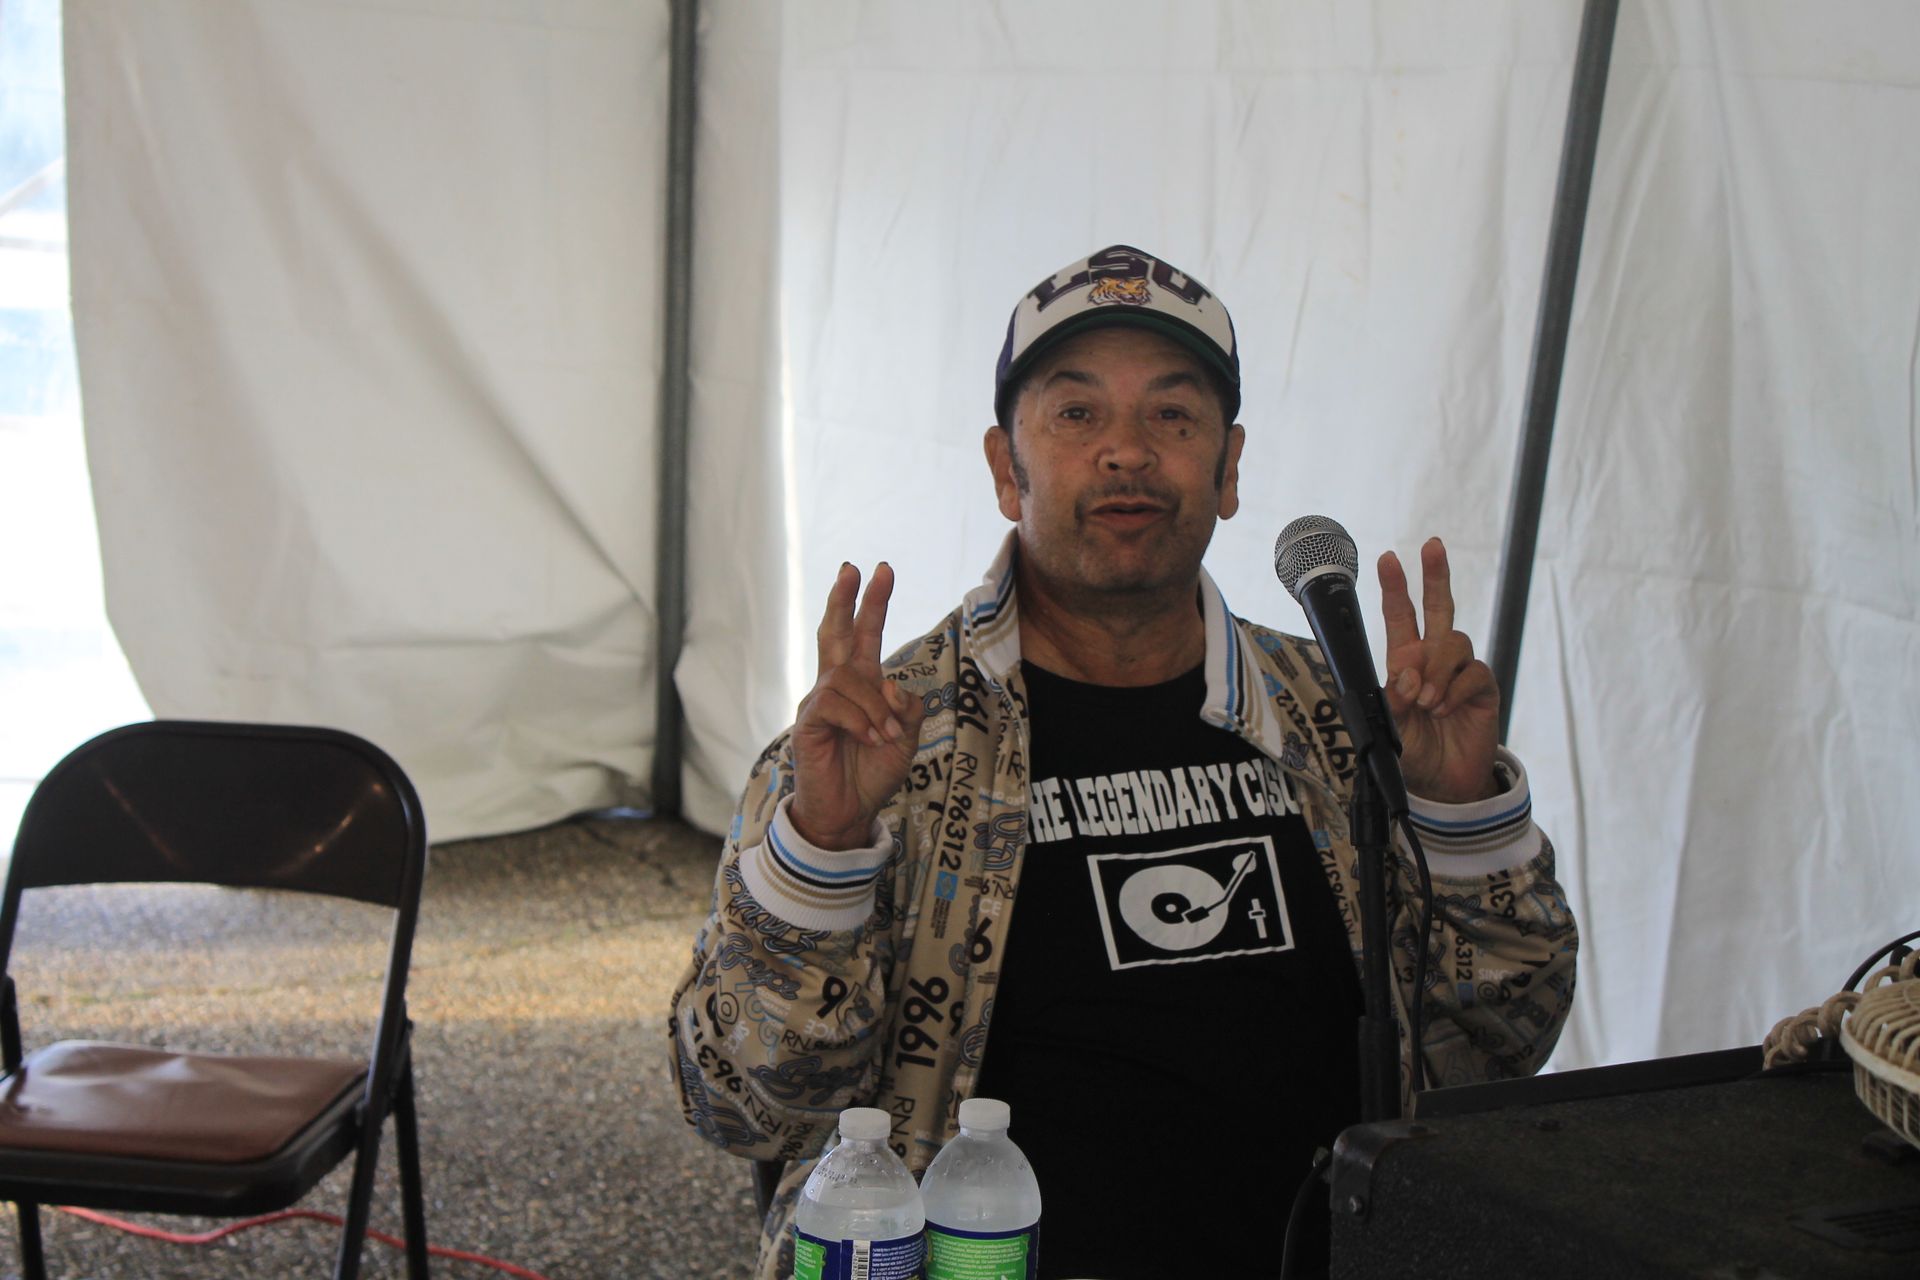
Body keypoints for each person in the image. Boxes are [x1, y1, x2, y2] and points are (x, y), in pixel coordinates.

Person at [669, 244, 1578, 1279]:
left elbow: (1501, 1044)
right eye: (1077, 413)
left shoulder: (1342, 723)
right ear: (1005, 468)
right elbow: (738, 1105)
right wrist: (823, 848)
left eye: (1173, 415)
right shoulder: (884, 738)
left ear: (1229, 469)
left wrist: (1460, 816)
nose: (1127, 453)